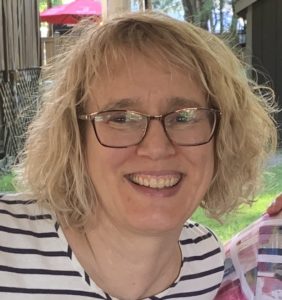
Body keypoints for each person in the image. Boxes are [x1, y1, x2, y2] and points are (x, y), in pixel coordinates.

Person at [0, 11, 280, 300]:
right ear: (75, 139)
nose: (157, 148)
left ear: (222, 137)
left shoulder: (206, 263)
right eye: (120, 118)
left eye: (184, 117)